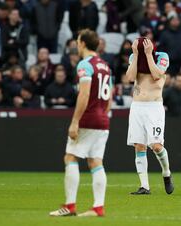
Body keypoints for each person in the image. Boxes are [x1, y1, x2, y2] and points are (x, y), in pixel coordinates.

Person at [50, 29, 112, 217]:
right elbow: (110, 97)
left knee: (70, 157)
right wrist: (103, 114)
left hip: (89, 118)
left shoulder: (85, 65)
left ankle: (70, 206)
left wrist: (75, 121)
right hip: (103, 120)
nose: (77, 44)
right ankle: (98, 207)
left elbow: (84, 94)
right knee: (95, 162)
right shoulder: (105, 65)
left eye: (78, 41)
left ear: (83, 43)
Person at [126, 37, 174, 195]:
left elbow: (157, 75)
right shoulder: (134, 58)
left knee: (156, 146)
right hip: (137, 106)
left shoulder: (162, 56)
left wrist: (147, 55)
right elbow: (131, 78)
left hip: (154, 107)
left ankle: (166, 173)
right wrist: (135, 54)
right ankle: (144, 186)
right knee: (139, 145)